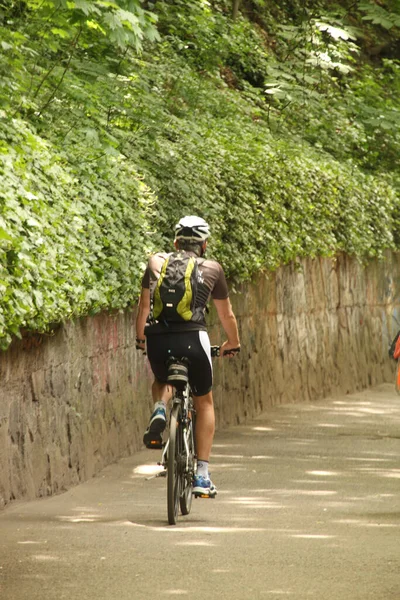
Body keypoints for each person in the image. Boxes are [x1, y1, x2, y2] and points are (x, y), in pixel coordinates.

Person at [135, 216, 240, 498]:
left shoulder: (156, 263)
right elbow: (226, 314)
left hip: (159, 338)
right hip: (194, 339)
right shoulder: (213, 269)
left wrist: (140, 340)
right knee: (203, 400)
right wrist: (233, 342)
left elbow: (144, 306)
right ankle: (202, 475)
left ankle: (160, 407)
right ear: (204, 245)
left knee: (162, 377)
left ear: (175, 243)